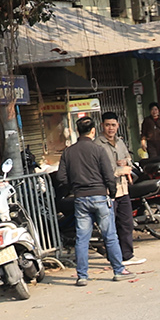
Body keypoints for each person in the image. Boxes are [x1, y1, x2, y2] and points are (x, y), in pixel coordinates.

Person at [55, 115, 126, 286]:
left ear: (78, 131)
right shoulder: (98, 150)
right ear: (93, 131)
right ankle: (117, 271)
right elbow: (108, 174)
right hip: (101, 196)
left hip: (80, 199)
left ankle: (82, 276)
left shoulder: (68, 152)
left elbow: (61, 178)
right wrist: (113, 192)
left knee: (82, 239)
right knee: (110, 236)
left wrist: (73, 188)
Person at [98, 112, 136, 263]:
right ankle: (113, 258)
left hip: (123, 189)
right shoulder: (97, 145)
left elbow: (129, 160)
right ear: (102, 126)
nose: (110, 128)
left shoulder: (120, 142)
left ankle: (127, 255)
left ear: (118, 126)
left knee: (127, 223)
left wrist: (126, 162)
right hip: (108, 191)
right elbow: (98, 170)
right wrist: (118, 171)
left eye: (113, 125)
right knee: (110, 227)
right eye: (107, 125)